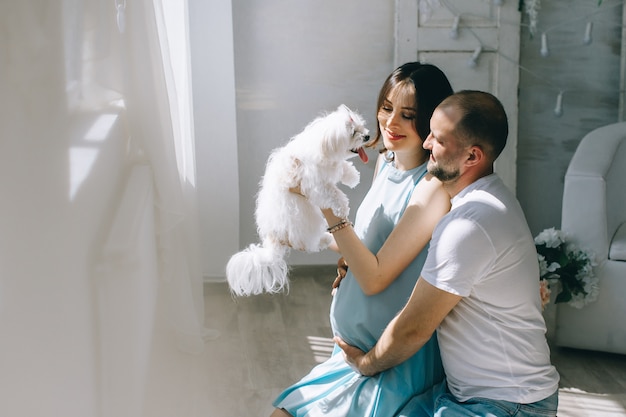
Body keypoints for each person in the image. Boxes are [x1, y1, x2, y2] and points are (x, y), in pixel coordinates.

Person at [336, 90, 560, 417]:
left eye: (438, 139)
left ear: (472, 157)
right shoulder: (486, 199)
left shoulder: (468, 224)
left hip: (509, 405)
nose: (426, 143)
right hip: (466, 395)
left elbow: (413, 329)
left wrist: (364, 364)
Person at [270, 62, 454, 416]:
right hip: (349, 352)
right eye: (387, 107)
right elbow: (367, 246)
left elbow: (374, 278)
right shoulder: (386, 162)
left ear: (431, 119)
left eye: (408, 114)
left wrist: (325, 203)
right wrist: (309, 237)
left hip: (390, 363)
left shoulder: (432, 188)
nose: (391, 122)